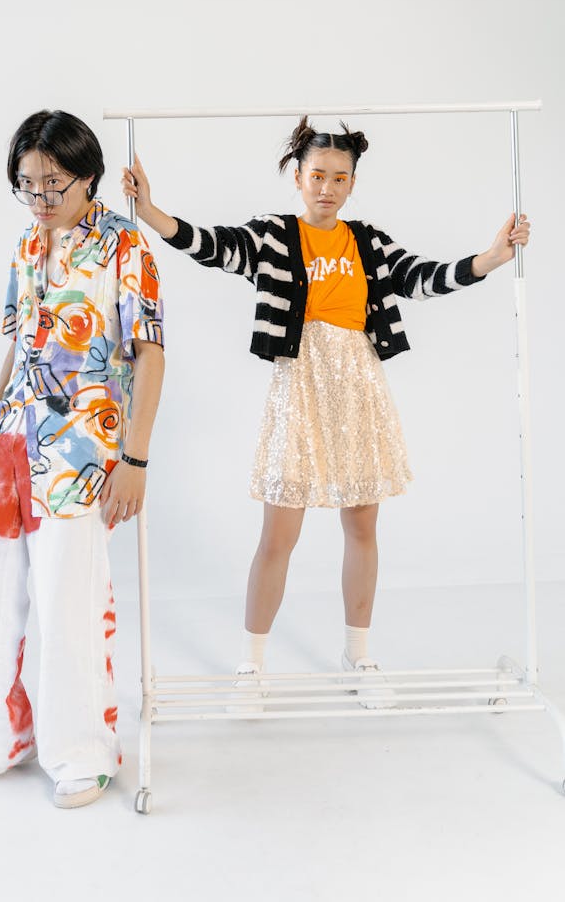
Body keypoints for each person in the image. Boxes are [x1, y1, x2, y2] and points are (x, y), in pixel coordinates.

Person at [122, 117, 529, 705]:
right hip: (301, 386)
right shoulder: (275, 236)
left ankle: (358, 656)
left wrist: (491, 256)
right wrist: (154, 212)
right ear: (297, 176)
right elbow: (214, 246)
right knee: (279, 531)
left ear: (353, 183)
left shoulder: (366, 242)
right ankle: (252, 667)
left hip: (359, 384)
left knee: (362, 522)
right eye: (317, 175)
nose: (327, 187)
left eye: (340, 178)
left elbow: (421, 279)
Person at [0, 110, 165, 806]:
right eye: (26, 184)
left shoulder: (127, 247)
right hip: (10, 436)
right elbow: (22, 340)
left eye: (53, 183)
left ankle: (83, 752)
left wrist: (136, 460)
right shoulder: (28, 243)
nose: (40, 197)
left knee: (69, 595)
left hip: (85, 447)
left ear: (87, 175)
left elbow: (150, 354)